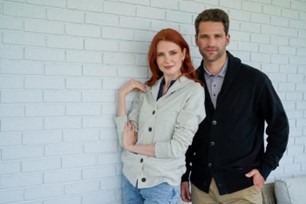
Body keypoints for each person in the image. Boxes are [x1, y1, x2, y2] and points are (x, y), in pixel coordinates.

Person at [180, 8, 289, 204]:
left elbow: (279, 127)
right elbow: (184, 133)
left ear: (227, 39)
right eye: (204, 36)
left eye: (217, 36)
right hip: (201, 187)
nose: (211, 43)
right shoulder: (190, 83)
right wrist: (184, 175)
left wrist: (264, 169)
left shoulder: (254, 80)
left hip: (243, 187)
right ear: (196, 39)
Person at [115, 28, 206, 204]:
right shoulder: (147, 90)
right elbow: (126, 136)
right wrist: (121, 97)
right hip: (131, 177)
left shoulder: (193, 91)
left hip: (161, 185)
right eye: (161, 55)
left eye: (173, 52)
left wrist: (132, 147)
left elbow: (176, 148)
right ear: (155, 59)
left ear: (183, 54)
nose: (167, 60)